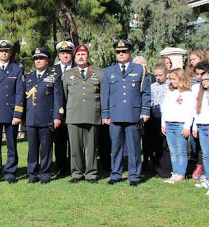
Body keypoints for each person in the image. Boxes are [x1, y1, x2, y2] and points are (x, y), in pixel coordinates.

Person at [101, 39, 151, 187]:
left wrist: (145, 111)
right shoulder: (109, 71)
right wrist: (105, 114)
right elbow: (105, 94)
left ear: (130, 53)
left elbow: (146, 93)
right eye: (118, 52)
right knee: (115, 147)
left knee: (134, 147)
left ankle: (134, 176)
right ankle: (115, 174)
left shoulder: (140, 69)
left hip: (133, 114)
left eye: (124, 51)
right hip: (115, 114)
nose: (121, 54)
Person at [0, 39, 24, 184]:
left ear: (10, 52)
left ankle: (10, 172)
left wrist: (18, 114)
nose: (4, 53)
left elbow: (20, 93)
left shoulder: (17, 69)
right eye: (1, 51)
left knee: (11, 144)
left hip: (10, 113)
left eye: (6, 51)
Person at [62, 45, 102, 183]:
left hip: (92, 114)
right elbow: (65, 94)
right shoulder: (68, 74)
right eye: (78, 54)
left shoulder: (99, 73)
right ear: (75, 57)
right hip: (74, 114)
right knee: (75, 147)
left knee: (91, 147)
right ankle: (76, 174)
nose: (81, 57)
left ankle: (91, 174)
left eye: (83, 54)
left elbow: (102, 94)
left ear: (88, 57)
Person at [25, 48, 64, 184]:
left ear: (47, 60)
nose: (38, 61)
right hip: (31, 118)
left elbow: (58, 98)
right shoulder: (28, 77)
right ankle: (32, 174)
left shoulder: (54, 76)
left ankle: (45, 174)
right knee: (32, 149)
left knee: (46, 149)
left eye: (41, 58)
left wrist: (58, 116)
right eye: (36, 58)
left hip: (46, 119)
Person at [160, 68, 194, 184]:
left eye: (174, 79)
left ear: (181, 78)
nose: (172, 81)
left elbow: (190, 111)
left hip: (180, 125)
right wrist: (163, 123)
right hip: (169, 124)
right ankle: (175, 172)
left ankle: (181, 173)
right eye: (170, 79)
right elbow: (164, 109)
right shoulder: (170, 93)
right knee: (173, 150)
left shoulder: (188, 94)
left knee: (181, 151)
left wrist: (187, 126)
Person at [52, 41, 74, 178]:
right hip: (57, 112)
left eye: (67, 53)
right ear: (59, 55)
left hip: (74, 110)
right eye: (62, 53)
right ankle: (60, 167)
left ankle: (73, 167)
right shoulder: (52, 70)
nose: (65, 55)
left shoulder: (78, 68)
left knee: (73, 142)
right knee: (59, 142)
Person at [149, 63, 172, 178]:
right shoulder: (153, 86)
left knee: (166, 146)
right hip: (155, 118)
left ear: (166, 74)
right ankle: (158, 169)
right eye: (156, 75)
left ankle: (167, 170)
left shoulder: (171, 86)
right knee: (157, 146)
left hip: (167, 119)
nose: (158, 77)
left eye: (160, 75)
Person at [193, 71, 209, 193]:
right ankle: (207, 180)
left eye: (207, 79)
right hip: (201, 126)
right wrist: (195, 126)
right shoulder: (201, 94)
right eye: (202, 80)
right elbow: (197, 111)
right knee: (205, 155)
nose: (204, 82)